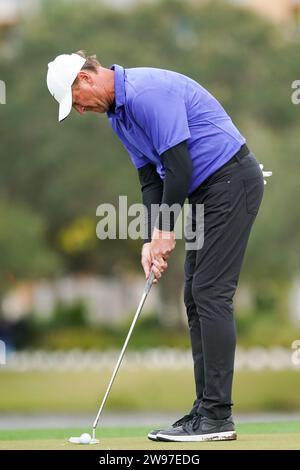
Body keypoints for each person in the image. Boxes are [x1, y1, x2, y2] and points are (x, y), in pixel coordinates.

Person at [46, 51, 271, 442]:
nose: (79, 110)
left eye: (76, 101)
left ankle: (218, 418)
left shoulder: (148, 93)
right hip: (208, 190)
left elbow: (179, 165)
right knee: (194, 294)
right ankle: (205, 410)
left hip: (232, 180)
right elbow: (152, 180)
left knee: (210, 292)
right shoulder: (120, 119)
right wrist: (152, 237)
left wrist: (167, 231)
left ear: (85, 78)